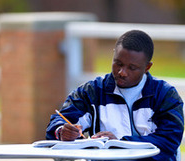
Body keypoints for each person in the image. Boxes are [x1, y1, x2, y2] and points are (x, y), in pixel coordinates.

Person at [46, 30, 184, 160]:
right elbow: (58, 123)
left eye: (132, 68)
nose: (122, 72)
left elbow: (169, 140)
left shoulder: (164, 94)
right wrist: (62, 132)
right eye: (118, 63)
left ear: (147, 67)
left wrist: (120, 144)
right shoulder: (92, 92)